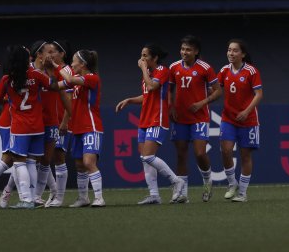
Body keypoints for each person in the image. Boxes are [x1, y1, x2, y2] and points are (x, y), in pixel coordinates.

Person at [0, 45, 59, 209]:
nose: (30, 58)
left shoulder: (7, 79)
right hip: (38, 126)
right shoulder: (36, 75)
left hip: (19, 126)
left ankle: (24, 199)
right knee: (30, 162)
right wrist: (52, 71)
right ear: (25, 60)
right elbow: (53, 86)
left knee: (17, 163)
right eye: (28, 56)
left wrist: (8, 97)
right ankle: (30, 198)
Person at [116, 44, 184, 205]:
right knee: (144, 158)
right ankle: (154, 195)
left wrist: (143, 69)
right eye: (141, 55)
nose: (142, 58)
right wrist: (130, 100)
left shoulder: (162, 70)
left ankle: (176, 181)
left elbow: (152, 86)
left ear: (155, 58)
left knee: (148, 156)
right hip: (144, 120)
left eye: (146, 55)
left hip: (157, 119)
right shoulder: (149, 73)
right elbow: (147, 95)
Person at [46, 49, 105, 207]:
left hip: (91, 126)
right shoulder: (77, 80)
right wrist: (51, 72)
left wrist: (56, 66)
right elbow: (54, 86)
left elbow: (69, 78)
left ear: (83, 64)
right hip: (78, 127)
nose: (72, 64)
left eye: (74, 61)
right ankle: (83, 198)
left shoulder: (92, 78)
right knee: (79, 164)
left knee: (88, 162)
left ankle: (99, 198)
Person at [169, 35, 222, 203]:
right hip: (180, 118)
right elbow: (169, 90)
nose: (184, 52)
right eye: (183, 49)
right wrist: (171, 107)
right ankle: (181, 194)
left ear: (196, 51)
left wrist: (202, 103)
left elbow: (218, 91)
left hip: (199, 117)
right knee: (181, 154)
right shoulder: (174, 67)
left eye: (188, 49)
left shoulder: (205, 68)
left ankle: (208, 182)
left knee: (199, 153)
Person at [218, 39, 263, 202]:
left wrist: (246, 111)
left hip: (248, 119)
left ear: (242, 54)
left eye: (235, 50)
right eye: (229, 50)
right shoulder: (224, 70)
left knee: (245, 156)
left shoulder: (251, 71)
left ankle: (242, 193)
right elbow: (216, 90)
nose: (231, 53)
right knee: (226, 150)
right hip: (228, 118)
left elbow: (259, 94)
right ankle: (232, 183)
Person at [45, 40, 73, 208]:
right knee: (45, 157)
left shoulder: (66, 71)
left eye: (54, 51)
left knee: (58, 157)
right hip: (50, 121)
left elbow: (68, 100)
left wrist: (64, 122)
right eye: (48, 51)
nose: (50, 54)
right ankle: (54, 192)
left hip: (62, 122)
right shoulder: (49, 70)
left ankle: (59, 197)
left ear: (62, 54)